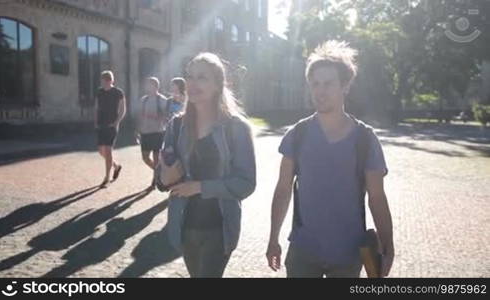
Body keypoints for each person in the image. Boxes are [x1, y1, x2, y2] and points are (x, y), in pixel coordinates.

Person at [266, 40, 394, 278]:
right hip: (303, 253)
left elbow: (377, 198)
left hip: (348, 256)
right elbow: (283, 189)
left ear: (345, 86)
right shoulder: (298, 135)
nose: (320, 90)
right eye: (315, 84)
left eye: (328, 83)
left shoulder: (365, 140)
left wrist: (388, 246)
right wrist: (273, 238)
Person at [159, 53, 256, 278]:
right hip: (183, 227)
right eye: (190, 77)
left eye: (201, 78)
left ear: (217, 84)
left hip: (219, 229)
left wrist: (200, 187)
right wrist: (164, 176)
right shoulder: (176, 125)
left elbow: (246, 184)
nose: (192, 83)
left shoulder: (235, 127)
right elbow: (161, 178)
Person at [135, 77, 170, 189]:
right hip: (145, 132)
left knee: (156, 158)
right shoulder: (143, 100)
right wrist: (137, 129)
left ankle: (155, 179)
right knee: (145, 158)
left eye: (150, 85)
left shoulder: (162, 100)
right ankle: (158, 173)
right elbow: (139, 115)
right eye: (147, 85)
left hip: (158, 132)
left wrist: (158, 117)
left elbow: (167, 116)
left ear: (156, 86)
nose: (148, 87)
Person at [94, 70, 126, 187]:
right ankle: (116, 166)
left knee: (108, 150)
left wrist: (117, 122)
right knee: (101, 151)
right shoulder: (99, 92)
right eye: (103, 81)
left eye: (107, 81)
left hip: (112, 125)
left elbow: (123, 109)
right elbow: (96, 107)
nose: (105, 83)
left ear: (111, 80)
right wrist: (95, 121)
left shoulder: (118, 92)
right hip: (101, 125)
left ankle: (106, 177)